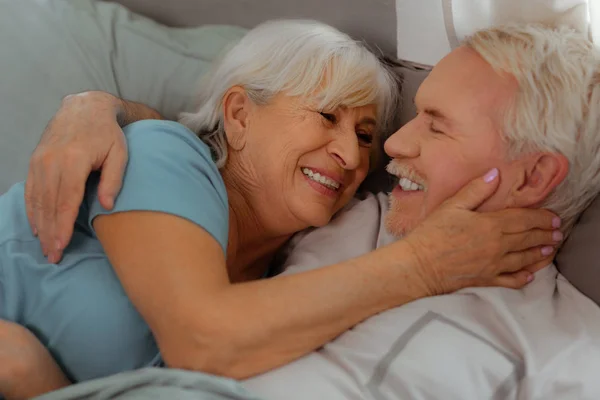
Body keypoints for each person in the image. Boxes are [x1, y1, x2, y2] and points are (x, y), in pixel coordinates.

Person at [0, 21, 561, 400]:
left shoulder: (288, 269)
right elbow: (203, 342)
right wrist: (425, 267)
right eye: (325, 116)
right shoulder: (165, 156)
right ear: (239, 116)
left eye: (365, 134)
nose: (351, 154)